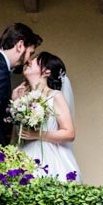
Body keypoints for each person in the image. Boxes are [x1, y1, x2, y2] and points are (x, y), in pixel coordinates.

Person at [15, 51, 81, 182]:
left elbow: (69, 133)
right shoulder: (23, 97)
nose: (29, 61)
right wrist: (16, 101)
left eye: (35, 60)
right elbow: (17, 133)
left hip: (49, 156)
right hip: (23, 153)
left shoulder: (55, 96)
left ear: (47, 71)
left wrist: (37, 135)